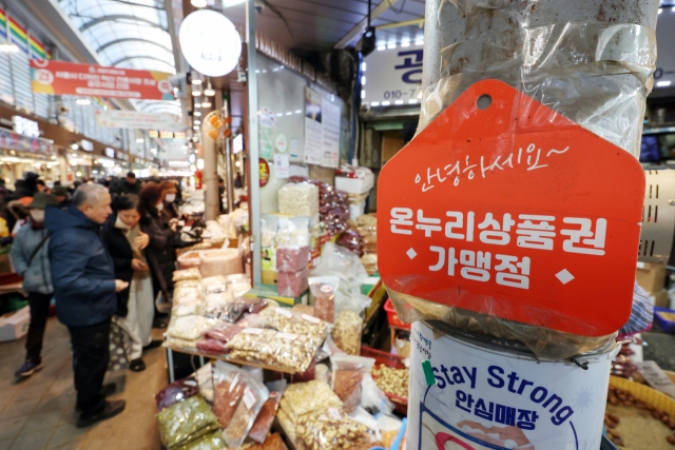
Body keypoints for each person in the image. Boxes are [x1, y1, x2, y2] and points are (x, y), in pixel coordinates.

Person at [45, 184, 129, 428]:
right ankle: (91, 408)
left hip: (93, 308)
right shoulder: (70, 237)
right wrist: (109, 285)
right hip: (85, 313)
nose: (110, 211)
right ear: (86, 209)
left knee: (94, 357)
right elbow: (67, 281)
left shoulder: (84, 227)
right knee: (91, 360)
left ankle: (93, 390)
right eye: (105, 206)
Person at [100, 195, 159, 372]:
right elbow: (105, 259)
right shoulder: (108, 229)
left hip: (145, 275)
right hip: (124, 279)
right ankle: (134, 354)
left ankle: (145, 341)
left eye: (135, 216)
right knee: (129, 316)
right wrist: (128, 263)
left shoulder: (145, 223)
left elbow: (162, 236)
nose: (131, 220)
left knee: (146, 310)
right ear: (118, 211)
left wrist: (150, 238)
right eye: (126, 216)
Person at [10, 193, 59, 377]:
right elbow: (16, 254)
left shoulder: (59, 229)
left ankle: (78, 352)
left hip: (60, 281)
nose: (38, 213)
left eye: (42, 210)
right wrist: (25, 271)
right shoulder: (23, 232)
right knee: (36, 321)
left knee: (72, 318)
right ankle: (32, 358)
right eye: (34, 209)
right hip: (35, 283)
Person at [138, 183, 179, 327]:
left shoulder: (152, 213)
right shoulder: (146, 216)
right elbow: (159, 238)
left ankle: (155, 314)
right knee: (154, 287)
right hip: (155, 257)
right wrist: (171, 230)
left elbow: (158, 230)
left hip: (160, 256)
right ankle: (153, 317)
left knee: (156, 287)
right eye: (160, 198)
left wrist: (167, 224)